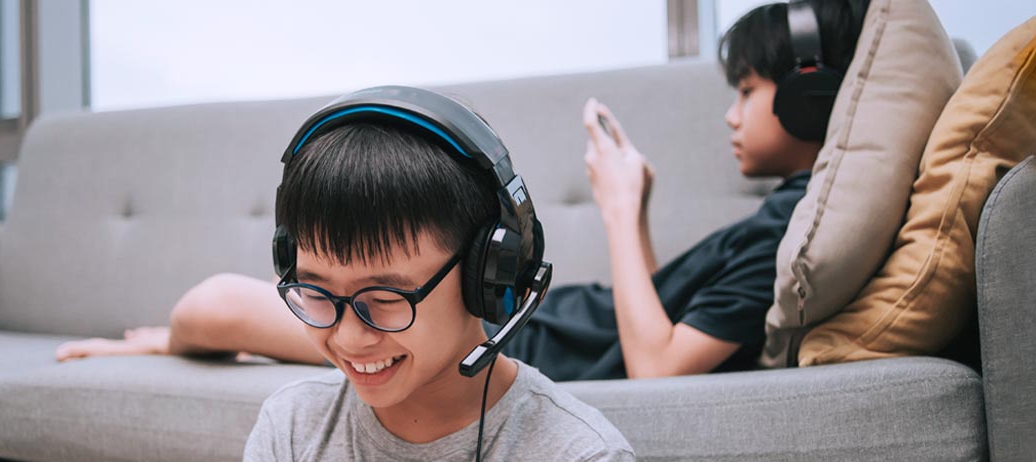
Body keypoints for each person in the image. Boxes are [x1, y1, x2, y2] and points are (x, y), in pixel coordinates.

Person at [5, 87, 644, 462]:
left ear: (489, 278)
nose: (348, 337)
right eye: (316, 293)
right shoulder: (291, 426)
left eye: (385, 298)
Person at [54, 0, 868, 382]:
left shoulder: (788, 230)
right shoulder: (785, 213)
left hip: (519, 340)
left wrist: (618, 213)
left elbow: (655, 367)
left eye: (750, 91)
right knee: (225, 310)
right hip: (550, 322)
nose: (731, 115)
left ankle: (166, 341)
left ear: (809, 95)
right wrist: (641, 216)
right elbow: (649, 313)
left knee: (208, 306)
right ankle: (193, 338)